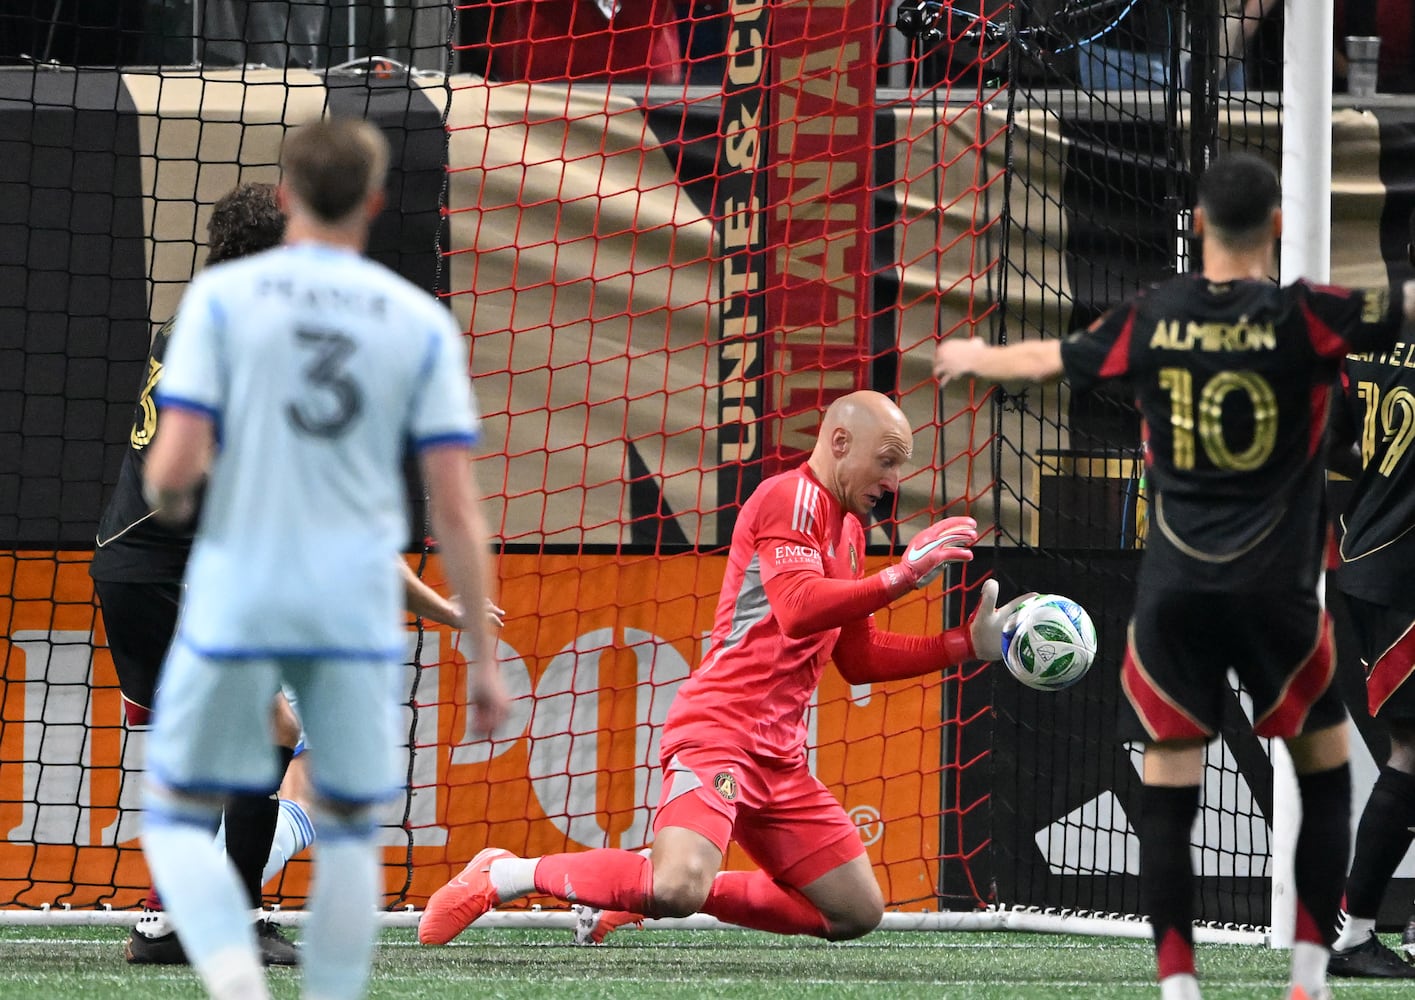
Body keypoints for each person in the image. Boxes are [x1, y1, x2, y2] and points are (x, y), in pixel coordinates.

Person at [934, 152, 1415, 1000]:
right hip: (1279, 591)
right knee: (1332, 766)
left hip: (1180, 595)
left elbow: (1047, 359)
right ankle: (1317, 965)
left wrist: (974, 354)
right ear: (1275, 226)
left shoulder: (1154, 316)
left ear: (1195, 224)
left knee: (1171, 782)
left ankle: (1177, 981)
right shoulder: (1311, 318)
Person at [417, 389, 1030, 948]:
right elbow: (795, 609)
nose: (894, 480)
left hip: (780, 757)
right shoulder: (790, 496)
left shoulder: (848, 530)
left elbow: (859, 657)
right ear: (840, 442)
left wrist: (962, 646)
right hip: (720, 731)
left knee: (854, 912)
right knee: (677, 889)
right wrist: (903, 576)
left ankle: (636, 890)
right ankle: (504, 872)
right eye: (888, 460)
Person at [138, 118, 507, 1000]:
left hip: (241, 583)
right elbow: (456, 507)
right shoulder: (417, 322)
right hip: (348, 597)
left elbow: (171, 476)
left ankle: (228, 971)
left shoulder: (220, 307)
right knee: (345, 825)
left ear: (285, 196)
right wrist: (481, 654)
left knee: (182, 805)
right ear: (374, 203)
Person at [1324, 208, 1415, 979]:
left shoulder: (1370, 335)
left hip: (1361, 561)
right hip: (1400, 580)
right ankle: (1352, 935)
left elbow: (1337, 453)